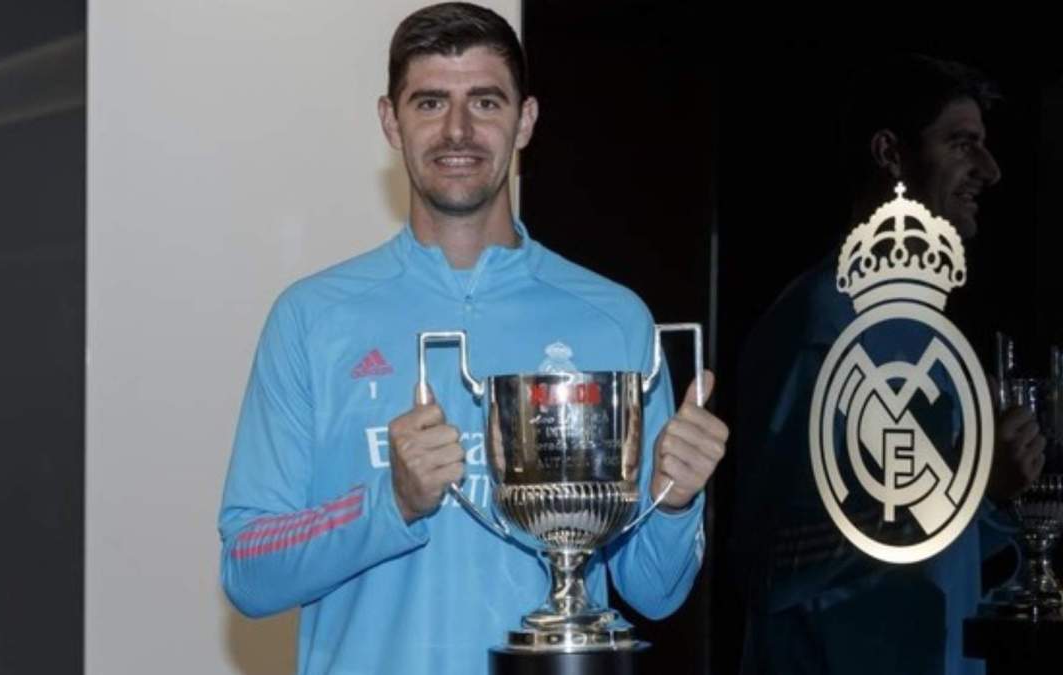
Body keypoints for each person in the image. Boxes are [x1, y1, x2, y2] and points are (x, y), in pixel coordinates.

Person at [218, 4, 729, 674]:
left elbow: (654, 592)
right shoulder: (312, 318)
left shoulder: (611, 319)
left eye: (485, 102)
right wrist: (390, 502)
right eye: (430, 102)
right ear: (389, 122)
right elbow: (250, 568)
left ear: (526, 120)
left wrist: (675, 498)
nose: (457, 130)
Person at [729, 54, 1047, 675]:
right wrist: (970, 483)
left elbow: (929, 547)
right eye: (963, 144)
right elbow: (772, 561)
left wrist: (1000, 498)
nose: (991, 169)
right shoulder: (822, 322)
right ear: (891, 154)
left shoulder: (926, 330)